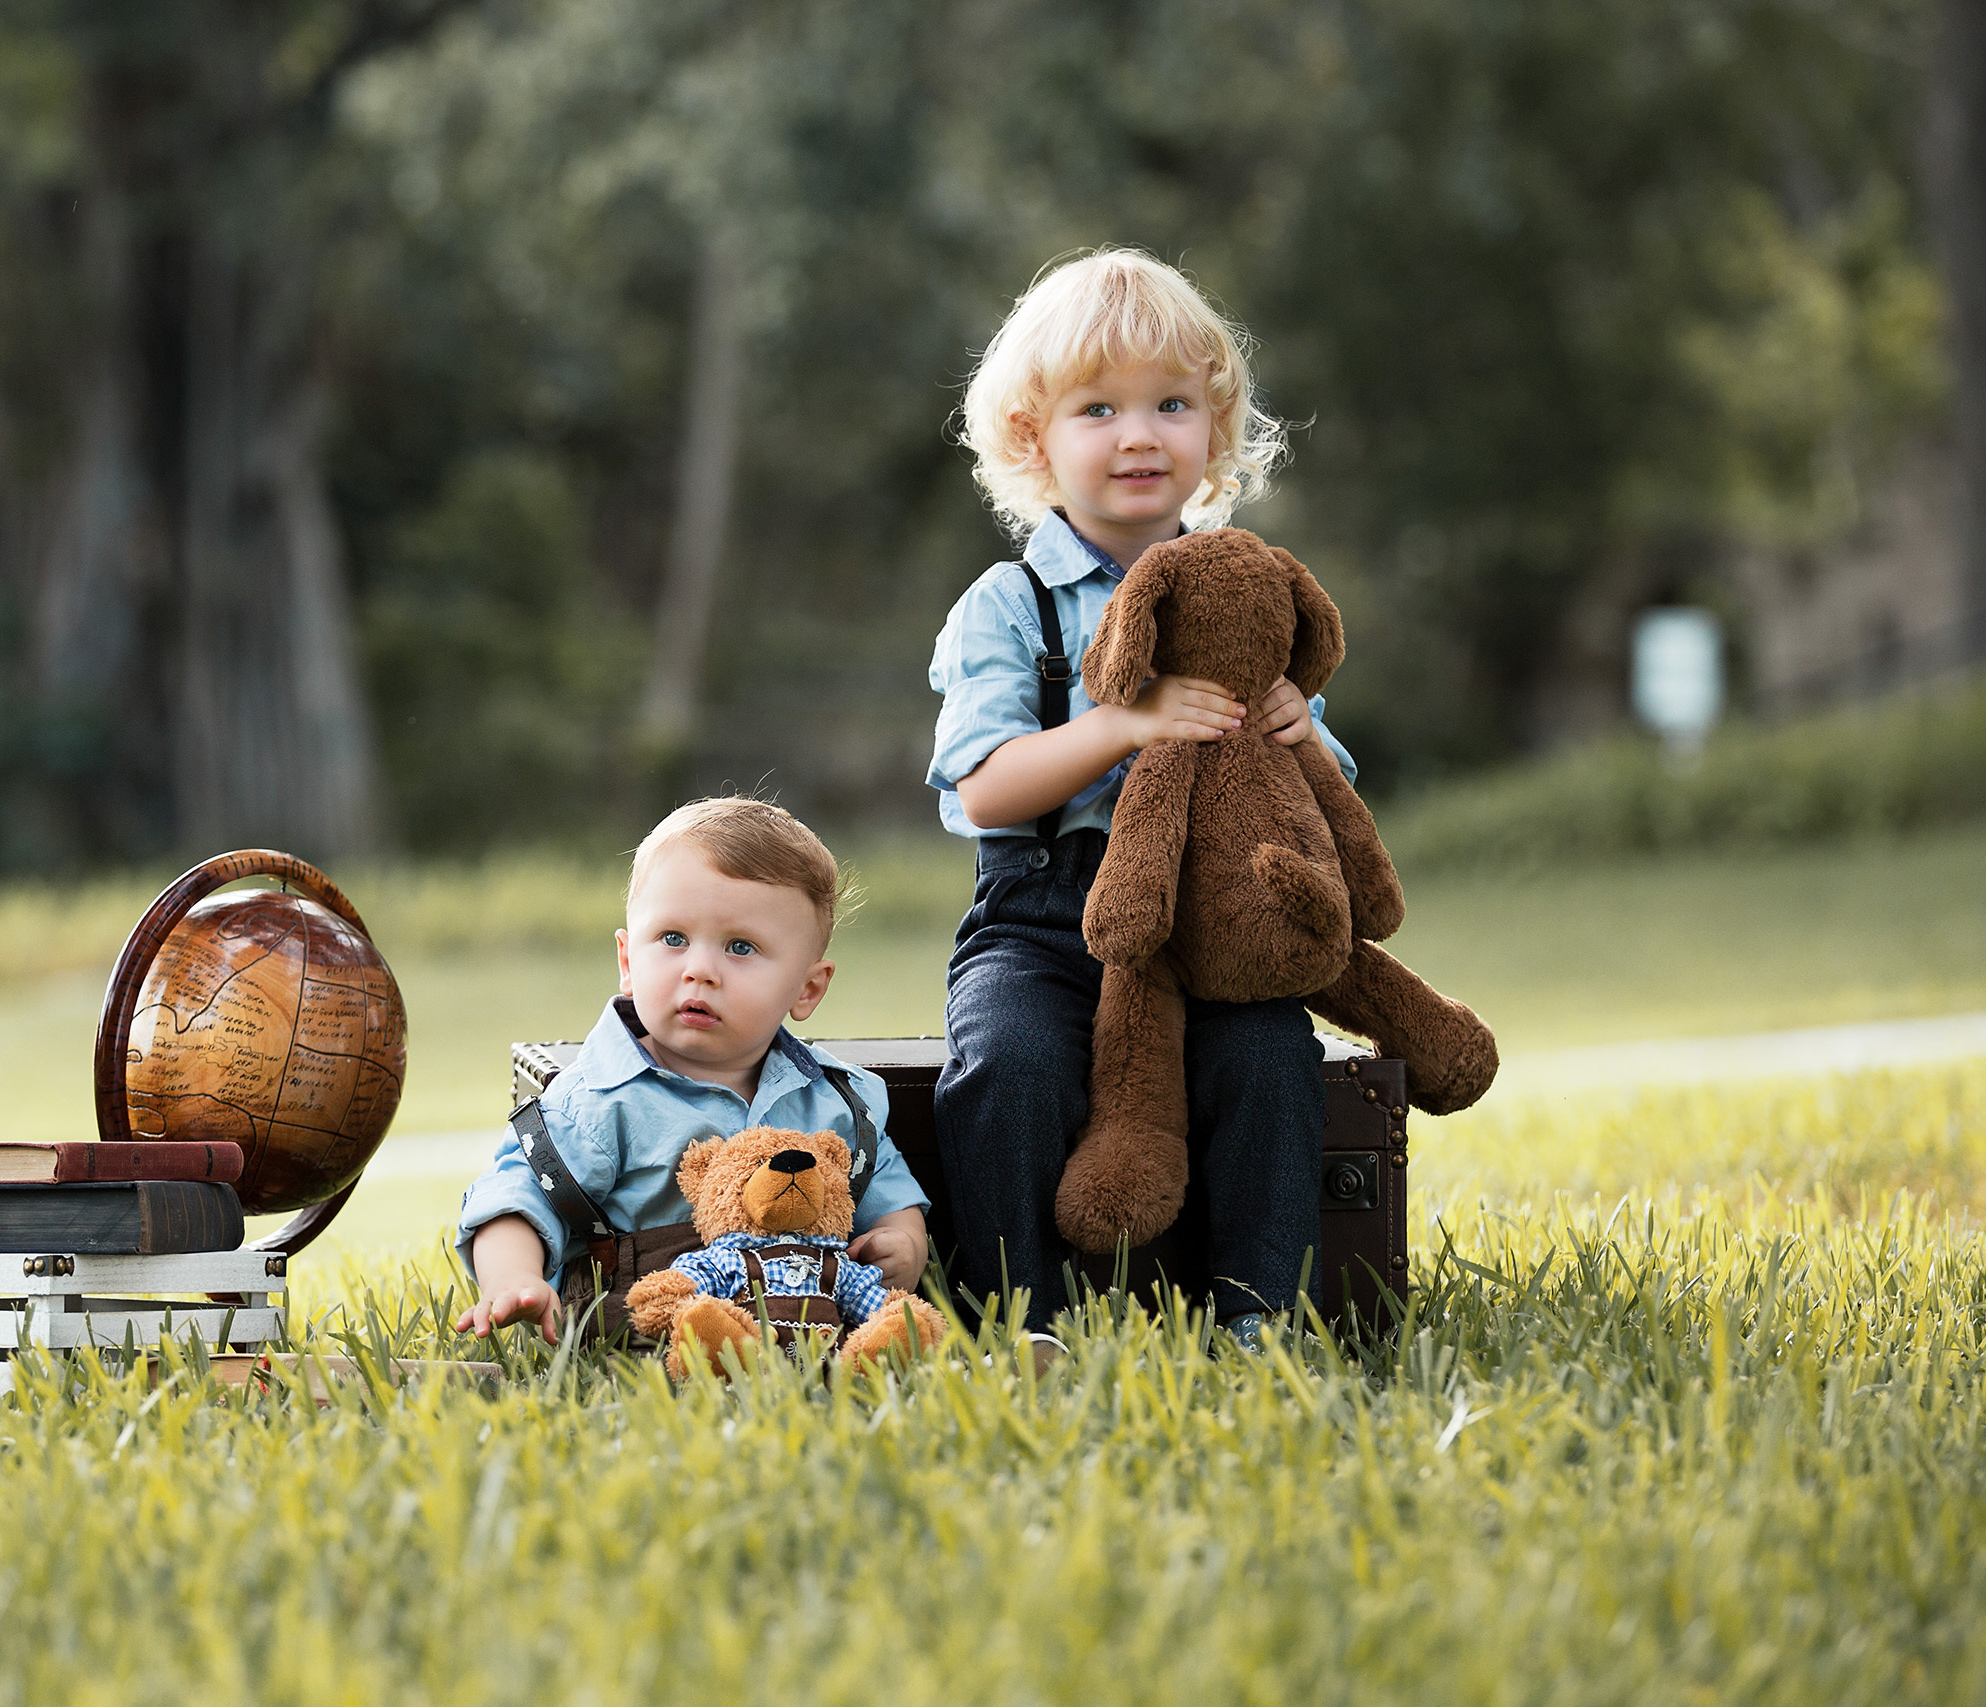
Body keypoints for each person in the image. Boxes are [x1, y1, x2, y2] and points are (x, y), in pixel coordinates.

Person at [927, 248, 1358, 1350]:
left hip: (1212, 926)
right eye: (1098, 409)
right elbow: (983, 790)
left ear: (1214, 433)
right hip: (1043, 916)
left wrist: (1301, 730)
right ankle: (1020, 1313)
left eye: (1172, 404)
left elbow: (1320, 794)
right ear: (1034, 439)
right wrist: (1122, 720)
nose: (1138, 435)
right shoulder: (1009, 603)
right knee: (1007, 1061)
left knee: (1266, 1058)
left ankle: (1257, 1312)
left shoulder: (1239, 587)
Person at [454, 796, 933, 1345]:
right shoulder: (601, 1099)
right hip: (650, 1331)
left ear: (807, 988)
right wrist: (512, 1275)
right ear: (628, 961)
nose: (700, 971)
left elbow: (890, 1194)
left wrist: (903, 1240)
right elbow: (515, 1195)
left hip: (802, 1323)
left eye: (740, 947)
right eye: (673, 939)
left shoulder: (834, 1099)